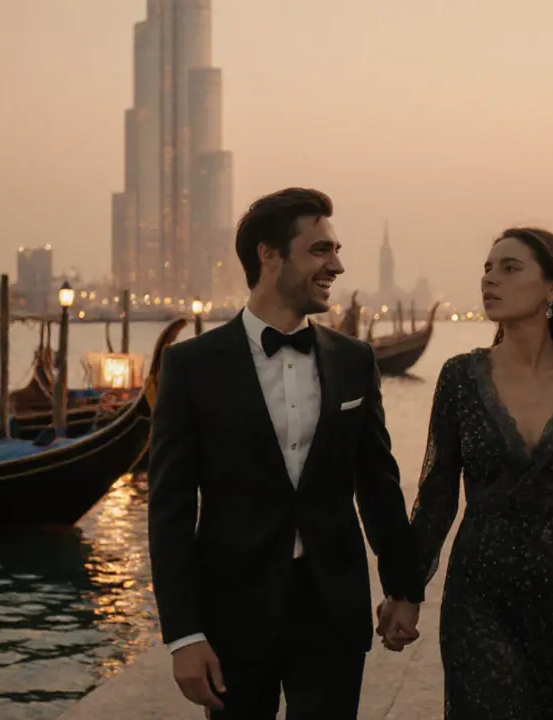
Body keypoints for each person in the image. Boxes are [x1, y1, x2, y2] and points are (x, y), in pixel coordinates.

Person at [148, 187, 424, 719]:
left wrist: (402, 588)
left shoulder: (354, 359)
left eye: (336, 250)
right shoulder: (190, 367)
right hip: (233, 613)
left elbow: (378, 485)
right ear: (268, 255)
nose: (337, 265)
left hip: (332, 613)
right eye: (321, 250)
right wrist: (183, 634)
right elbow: (171, 511)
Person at [383, 227, 553, 718]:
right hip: (480, 598)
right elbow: (437, 498)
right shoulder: (459, 379)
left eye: (510, 269)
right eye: (487, 269)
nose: (491, 280)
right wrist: (406, 593)